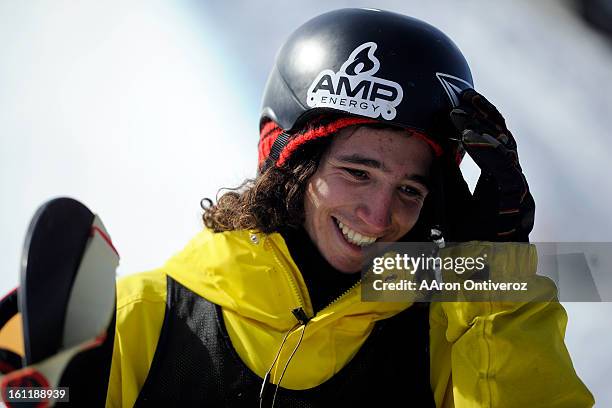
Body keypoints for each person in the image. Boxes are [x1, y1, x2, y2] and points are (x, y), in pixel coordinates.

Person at [105, 8, 594, 407]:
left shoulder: (454, 337)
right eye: (357, 174)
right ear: (291, 165)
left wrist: (493, 281)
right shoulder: (134, 322)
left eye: (410, 190)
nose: (378, 218)